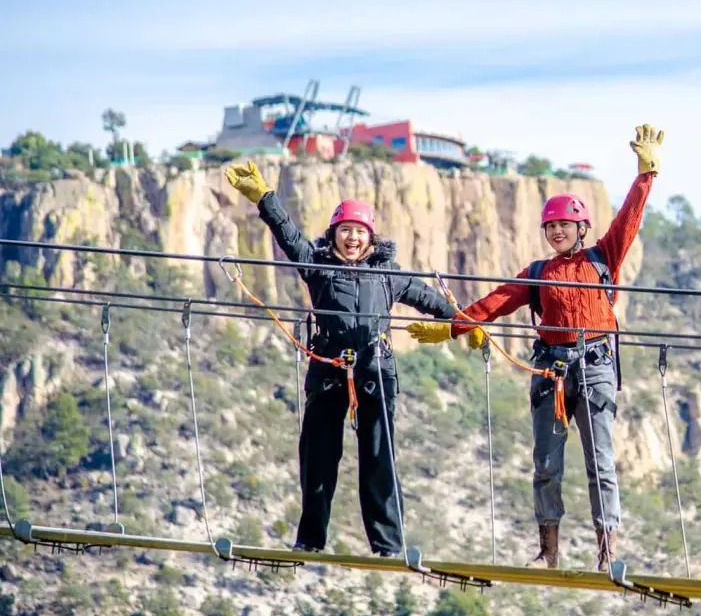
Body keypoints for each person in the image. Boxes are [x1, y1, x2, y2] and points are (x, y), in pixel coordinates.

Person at [407, 125, 663, 571]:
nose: (556, 232)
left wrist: (646, 172)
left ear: (581, 227)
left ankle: (608, 551)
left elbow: (629, 217)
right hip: (552, 370)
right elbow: (497, 302)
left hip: (596, 365)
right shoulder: (539, 271)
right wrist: (451, 328)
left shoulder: (603, 256)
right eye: (550, 226)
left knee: (600, 463)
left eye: (563, 225)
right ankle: (549, 549)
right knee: (547, 463)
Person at [224, 161, 484, 556]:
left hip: (375, 370)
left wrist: (466, 325)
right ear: (334, 235)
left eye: (359, 232)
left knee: (379, 459)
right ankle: (310, 540)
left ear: (370, 238)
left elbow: (430, 300)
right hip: (328, 369)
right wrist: (264, 198)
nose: (352, 238)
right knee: (317, 458)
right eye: (345, 231)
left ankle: (388, 545)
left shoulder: (388, 275)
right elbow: (288, 235)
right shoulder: (319, 267)